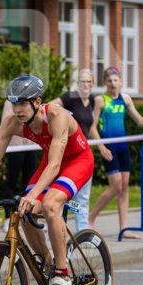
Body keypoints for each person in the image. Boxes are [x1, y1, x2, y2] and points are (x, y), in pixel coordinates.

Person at [0, 75, 94, 285]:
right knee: (24, 210)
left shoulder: (57, 116)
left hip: (77, 161)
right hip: (51, 161)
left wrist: (33, 195)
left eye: (22, 103)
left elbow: (55, 165)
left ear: (37, 102)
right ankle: (49, 263)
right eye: (13, 104)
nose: (17, 110)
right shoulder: (12, 123)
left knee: (50, 205)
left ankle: (63, 274)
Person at [87, 67, 143, 237]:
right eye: (109, 81)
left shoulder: (125, 99)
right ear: (105, 83)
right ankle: (90, 219)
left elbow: (139, 121)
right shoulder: (101, 100)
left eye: (115, 80)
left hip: (123, 147)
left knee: (124, 188)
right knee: (116, 186)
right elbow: (92, 127)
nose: (113, 84)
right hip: (109, 147)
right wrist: (101, 147)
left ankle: (124, 228)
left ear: (121, 82)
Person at [51, 68, 98, 232]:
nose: (85, 85)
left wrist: (102, 146)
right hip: (67, 152)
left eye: (89, 82)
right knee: (60, 195)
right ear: (77, 84)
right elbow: (50, 107)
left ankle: (82, 233)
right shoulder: (70, 97)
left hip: (83, 154)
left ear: (93, 84)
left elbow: (91, 127)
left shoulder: (92, 100)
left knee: (82, 198)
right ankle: (55, 229)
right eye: (82, 82)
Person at [0, 100, 40, 232]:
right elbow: (7, 123)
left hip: (31, 146)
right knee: (11, 182)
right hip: (15, 147)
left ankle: (30, 218)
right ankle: (8, 218)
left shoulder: (31, 101)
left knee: (31, 183)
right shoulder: (9, 103)